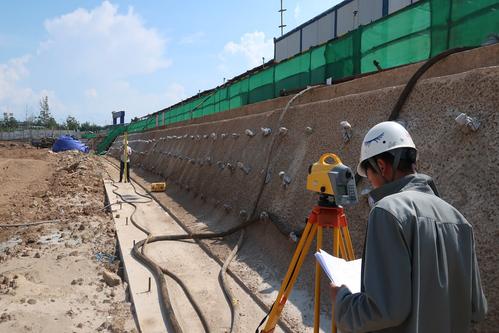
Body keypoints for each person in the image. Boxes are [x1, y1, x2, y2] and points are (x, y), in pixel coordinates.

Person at [330, 121, 487, 333]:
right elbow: (477, 308)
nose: (371, 183)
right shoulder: (459, 220)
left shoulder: (387, 211)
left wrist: (342, 301)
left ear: (382, 167)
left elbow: (384, 310)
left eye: (369, 176)